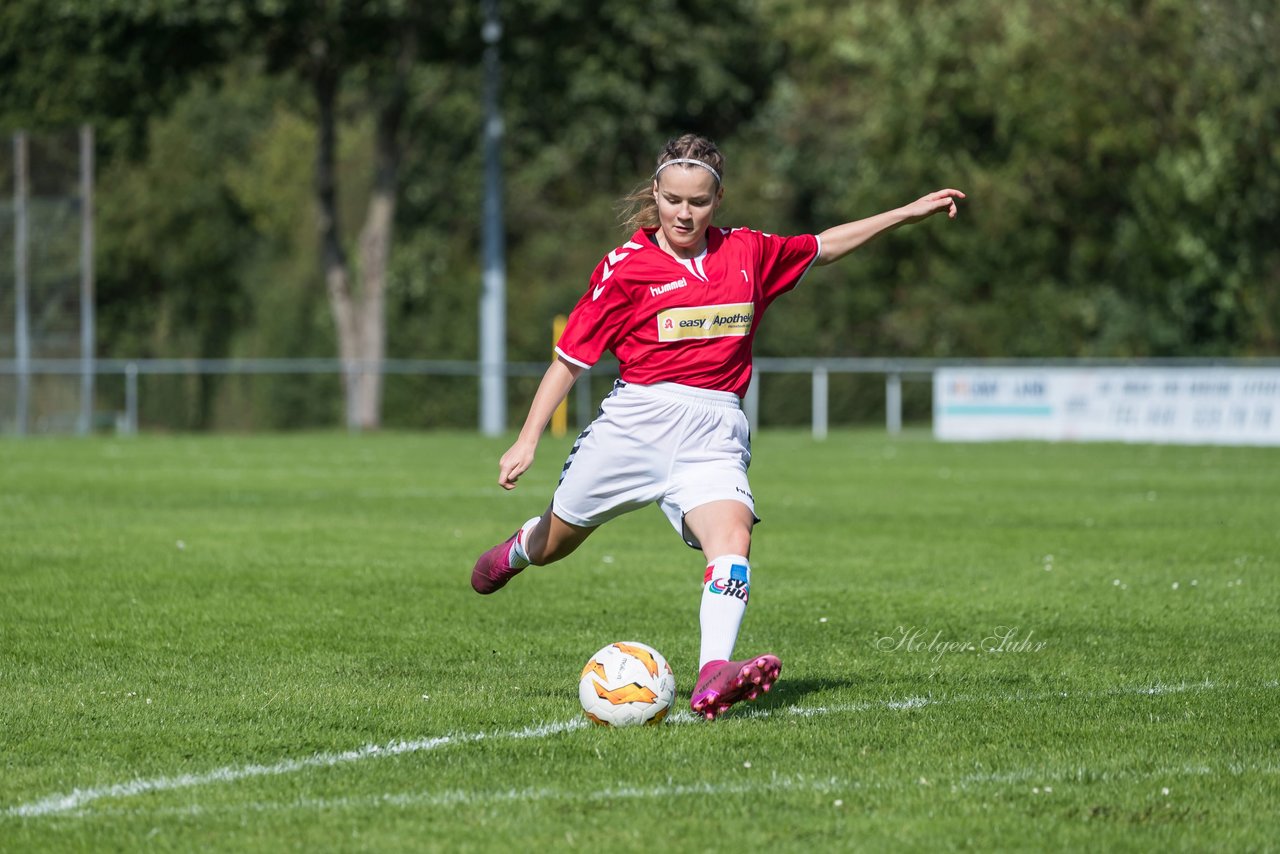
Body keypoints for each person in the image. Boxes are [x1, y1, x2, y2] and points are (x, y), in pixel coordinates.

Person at [472, 133, 964, 720]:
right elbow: (570, 358)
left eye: (698, 202)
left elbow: (823, 246)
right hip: (636, 424)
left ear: (718, 199)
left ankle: (713, 676)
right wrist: (527, 438)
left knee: (733, 537)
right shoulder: (626, 268)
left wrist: (906, 214)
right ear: (655, 195)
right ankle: (520, 551)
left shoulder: (749, 252)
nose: (684, 213)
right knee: (557, 543)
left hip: (716, 427)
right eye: (673, 199)